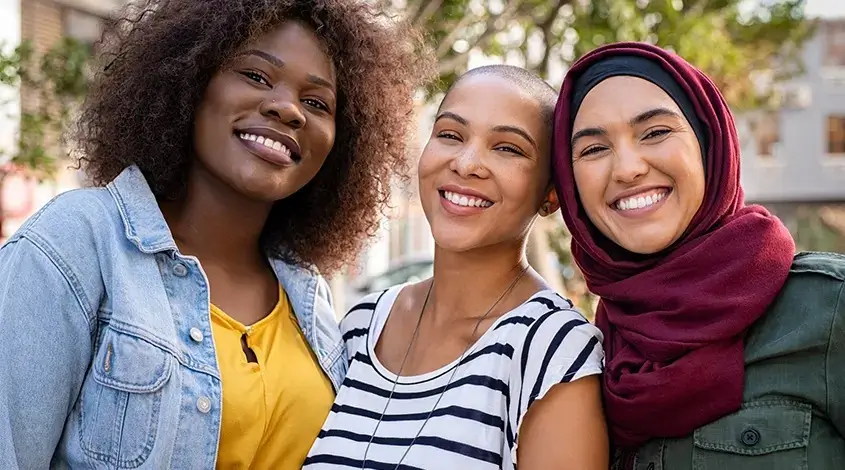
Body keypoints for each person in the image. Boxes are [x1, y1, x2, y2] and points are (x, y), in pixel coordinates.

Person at [0, 0, 433, 468]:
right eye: (255, 76)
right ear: (189, 80)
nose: (287, 109)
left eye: (316, 103)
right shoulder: (78, 244)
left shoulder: (310, 299)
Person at [553, 41, 845, 469]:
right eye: (594, 149)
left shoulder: (828, 311)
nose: (628, 168)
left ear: (710, 144)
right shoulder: (580, 355)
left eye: (655, 132)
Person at [304, 65, 608, 470]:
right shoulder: (362, 325)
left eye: (507, 148)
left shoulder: (553, 347)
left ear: (551, 195)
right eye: (450, 135)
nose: (466, 163)